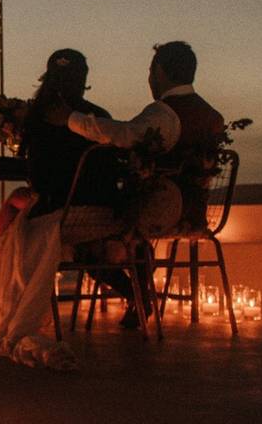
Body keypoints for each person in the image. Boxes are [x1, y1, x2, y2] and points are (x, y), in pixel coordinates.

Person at [47, 41, 225, 327]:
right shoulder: (212, 116)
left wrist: (69, 119)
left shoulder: (165, 114)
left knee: (89, 240)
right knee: (115, 230)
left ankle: (136, 292)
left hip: (160, 212)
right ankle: (139, 290)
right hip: (196, 214)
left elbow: (124, 134)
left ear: (159, 72)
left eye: (150, 70)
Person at [0, 49, 121, 369]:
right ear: (84, 80)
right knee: (17, 213)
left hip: (68, 215)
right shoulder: (98, 117)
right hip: (107, 212)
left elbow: (41, 183)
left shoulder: (39, 122)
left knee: (14, 218)